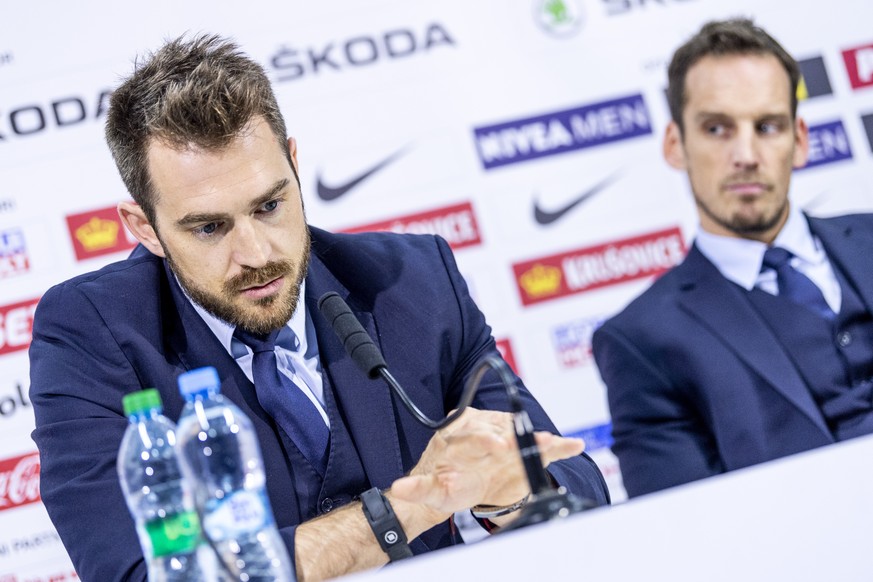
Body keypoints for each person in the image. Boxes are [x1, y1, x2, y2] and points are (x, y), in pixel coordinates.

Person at [28, 34, 609, 581]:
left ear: (294, 163)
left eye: (270, 205)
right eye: (209, 227)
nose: (256, 253)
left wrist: (509, 490)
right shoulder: (90, 333)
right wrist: (411, 507)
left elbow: (573, 480)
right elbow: (136, 573)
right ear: (144, 228)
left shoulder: (415, 280)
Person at [592, 17, 873, 498]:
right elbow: (691, 536)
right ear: (676, 144)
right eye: (717, 128)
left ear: (799, 140)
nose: (745, 154)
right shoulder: (641, 341)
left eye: (767, 126)